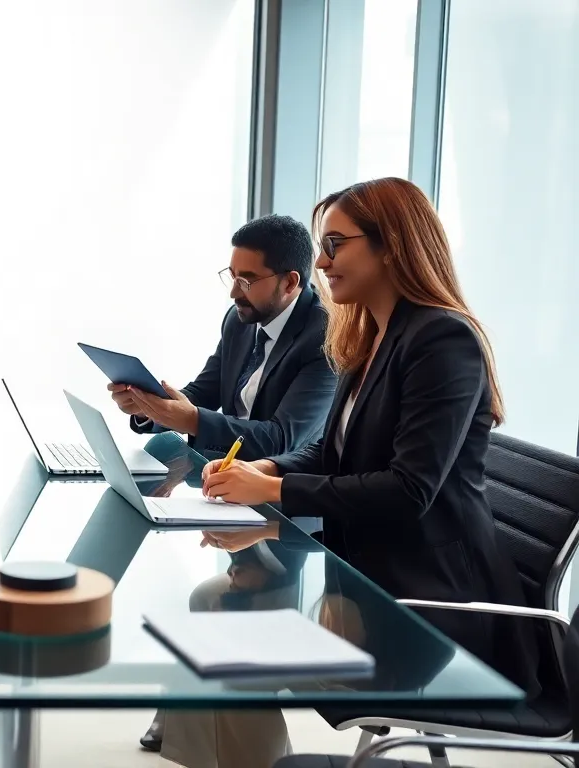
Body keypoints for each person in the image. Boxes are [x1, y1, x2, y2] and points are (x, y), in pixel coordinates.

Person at [159, 177, 540, 768]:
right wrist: (267, 467)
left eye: (336, 243)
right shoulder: (370, 335)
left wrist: (275, 488)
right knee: (215, 604)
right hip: (370, 576)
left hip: (433, 609)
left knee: (224, 624)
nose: (320, 262)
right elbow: (334, 456)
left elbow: (408, 489)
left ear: (391, 245)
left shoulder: (442, 339)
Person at [112, 214, 337, 462]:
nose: (233, 292)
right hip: (223, 473)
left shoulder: (325, 337)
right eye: (232, 276)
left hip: (278, 488)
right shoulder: (239, 319)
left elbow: (281, 440)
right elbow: (202, 394)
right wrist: (150, 407)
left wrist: (191, 419)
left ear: (289, 283)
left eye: (246, 281)